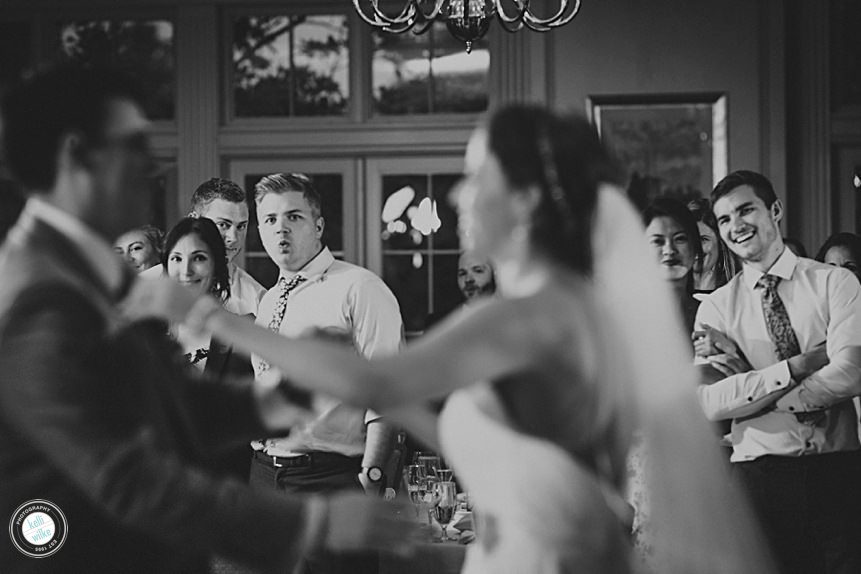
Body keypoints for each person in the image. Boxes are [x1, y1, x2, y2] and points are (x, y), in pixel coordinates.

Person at [132, 105, 775, 574]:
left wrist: (213, 318)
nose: (462, 194)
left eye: (476, 178)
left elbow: (380, 383)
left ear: (523, 199)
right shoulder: (566, 305)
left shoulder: (520, 314)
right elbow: (496, 434)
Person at [0, 62, 410, 574]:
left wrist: (290, 395)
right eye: (134, 147)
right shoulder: (37, 294)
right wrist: (310, 525)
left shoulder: (89, 269)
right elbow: (123, 478)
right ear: (75, 155)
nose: (149, 166)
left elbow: (171, 405)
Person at [693, 170, 861, 574]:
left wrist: (752, 386)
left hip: (836, 470)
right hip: (760, 477)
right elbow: (710, 404)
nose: (736, 226)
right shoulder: (716, 308)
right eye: (724, 219)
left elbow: (851, 372)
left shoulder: (834, 283)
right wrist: (797, 366)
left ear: (776, 210)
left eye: (745, 210)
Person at [248, 172, 404, 574]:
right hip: (266, 478)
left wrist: (370, 478)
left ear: (318, 225)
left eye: (293, 216)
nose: (280, 228)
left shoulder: (359, 288)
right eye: (269, 220)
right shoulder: (268, 303)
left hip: (330, 479)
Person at [162, 216, 254, 479]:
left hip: (227, 486)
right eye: (176, 258)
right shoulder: (146, 334)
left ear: (216, 265)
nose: (186, 271)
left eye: (199, 258)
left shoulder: (245, 332)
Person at [142, 177, 265, 317]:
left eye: (241, 226)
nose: (233, 238)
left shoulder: (257, 300)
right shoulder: (142, 287)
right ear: (194, 219)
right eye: (223, 225)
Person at [643, 197, 702, 332]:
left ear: (695, 248)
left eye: (680, 239)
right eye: (657, 241)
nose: (669, 250)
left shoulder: (713, 314)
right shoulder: (626, 316)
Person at [688, 197, 738, 292]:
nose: (694, 247)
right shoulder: (667, 295)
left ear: (721, 243)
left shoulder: (735, 295)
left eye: (703, 239)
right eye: (688, 238)